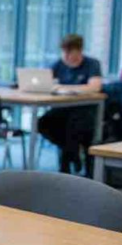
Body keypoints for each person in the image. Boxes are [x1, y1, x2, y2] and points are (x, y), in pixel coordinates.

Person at [37, 35, 103, 175]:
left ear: (79, 51)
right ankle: (73, 154)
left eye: (69, 52)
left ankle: (66, 165)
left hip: (85, 110)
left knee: (72, 127)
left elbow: (95, 87)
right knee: (42, 123)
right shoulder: (58, 64)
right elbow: (46, 84)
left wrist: (67, 88)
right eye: (64, 52)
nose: (66, 56)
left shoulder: (92, 64)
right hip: (62, 109)